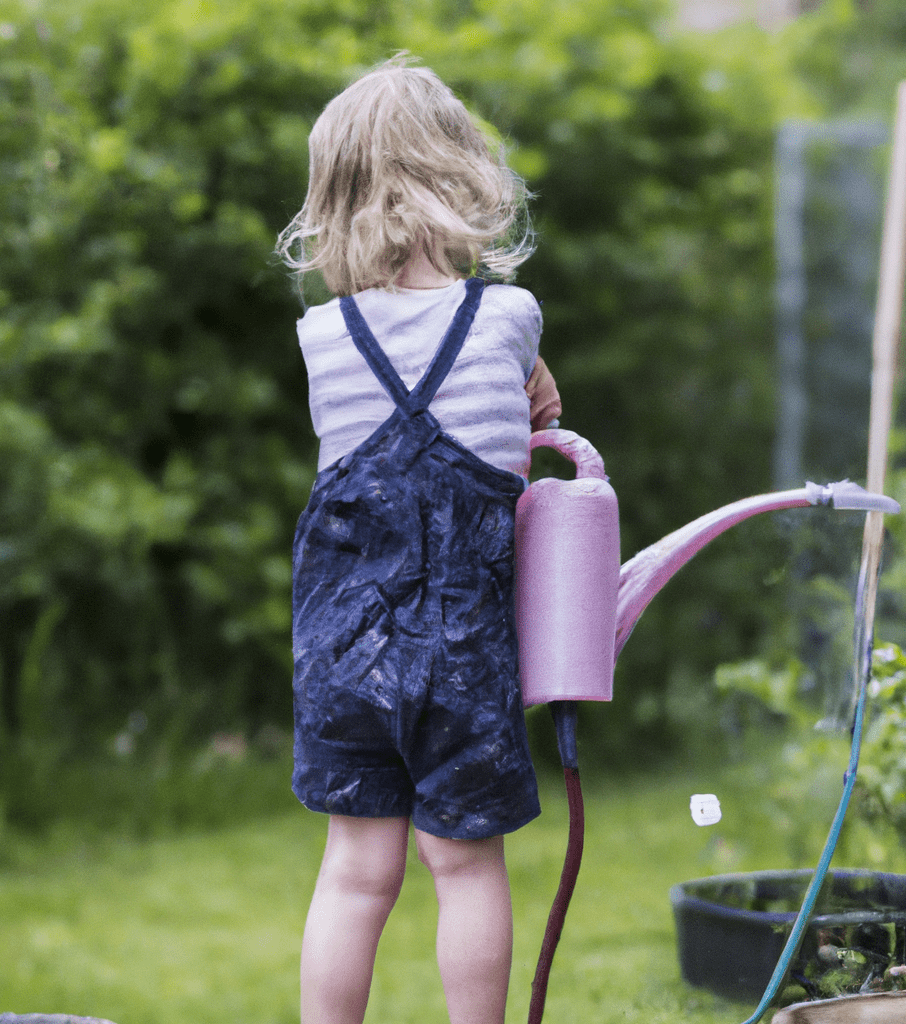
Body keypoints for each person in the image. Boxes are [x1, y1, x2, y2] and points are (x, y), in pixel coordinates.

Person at [275, 55, 562, 1024]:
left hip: (342, 648)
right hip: (462, 651)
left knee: (356, 872)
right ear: (462, 177)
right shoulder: (513, 317)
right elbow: (523, 421)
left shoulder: (323, 335)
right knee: (464, 864)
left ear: (334, 196)